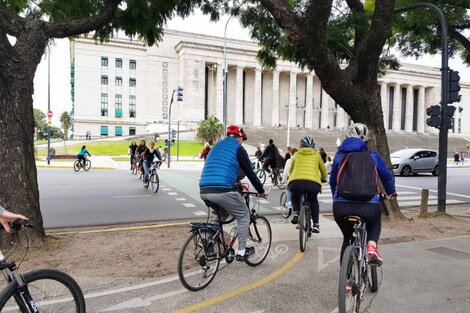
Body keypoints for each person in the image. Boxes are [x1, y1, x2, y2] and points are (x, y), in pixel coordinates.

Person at [329, 123, 396, 266]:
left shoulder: (339, 156)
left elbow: (332, 181)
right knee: (375, 221)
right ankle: (371, 245)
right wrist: (391, 193)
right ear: (365, 140)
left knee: (347, 239)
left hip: (341, 207)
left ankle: (346, 282)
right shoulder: (373, 156)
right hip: (368, 206)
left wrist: (336, 198)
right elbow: (387, 176)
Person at [199, 125, 265, 262]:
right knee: (243, 215)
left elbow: (222, 168)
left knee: (221, 215)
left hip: (204, 190)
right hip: (222, 190)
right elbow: (250, 172)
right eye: (243, 139)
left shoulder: (216, 147)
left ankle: (209, 244)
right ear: (239, 138)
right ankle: (241, 252)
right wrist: (261, 190)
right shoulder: (238, 149)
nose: (242, 142)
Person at [288, 137, 327, 233]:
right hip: (312, 183)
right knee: (313, 200)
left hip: (296, 182)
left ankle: (296, 212)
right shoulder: (317, 155)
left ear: (301, 146)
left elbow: (291, 169)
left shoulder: (296, 154)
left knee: (294, 195)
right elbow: (323, 170)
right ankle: (316, 224)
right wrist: (323, 178)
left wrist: (291, 177)